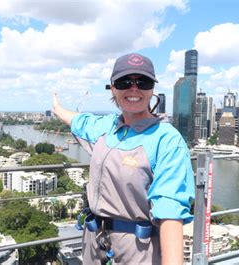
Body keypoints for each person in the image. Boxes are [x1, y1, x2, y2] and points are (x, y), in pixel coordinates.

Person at [53, 53, 195, 265]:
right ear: (113, 88)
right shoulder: (107, 127)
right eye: (124, 82)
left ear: (152, 89)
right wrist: (57, 107)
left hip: (138, 249)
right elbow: (80, 121)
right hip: (94, 243)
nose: (134, 88)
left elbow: (171, 212)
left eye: (143, 82)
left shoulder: (166, 139)